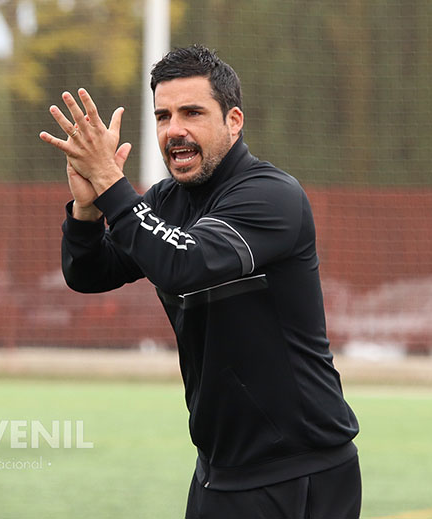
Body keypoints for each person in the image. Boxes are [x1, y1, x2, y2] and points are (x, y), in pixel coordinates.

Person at [39, 45, 361, 518]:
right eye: (163, 116)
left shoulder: (272, 196)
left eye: (192, 112)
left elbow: (182, 263)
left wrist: (111, 182)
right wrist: (88, 209)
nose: (175, 131)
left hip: (300, 473)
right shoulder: (169, 201)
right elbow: (89, 274)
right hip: (219, 471)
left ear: (234, 120)